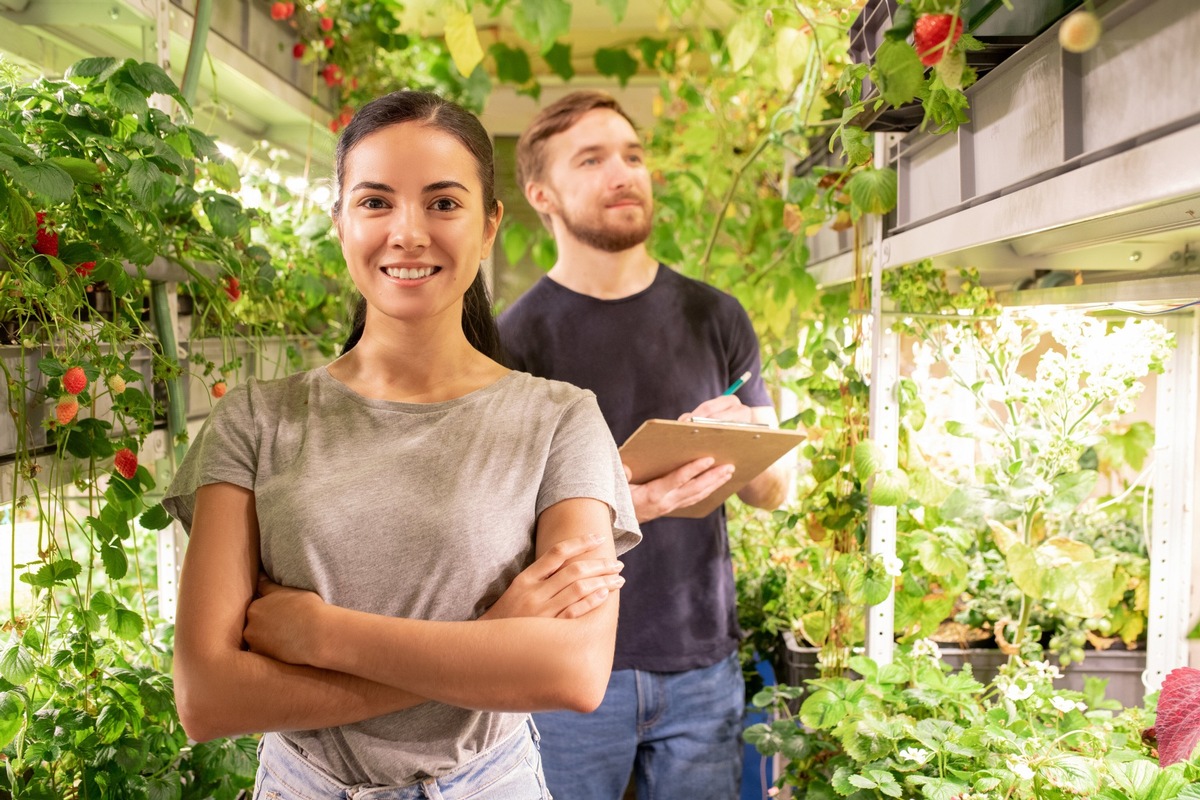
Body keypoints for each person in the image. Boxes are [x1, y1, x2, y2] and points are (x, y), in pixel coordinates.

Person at [163, 90, 641, 800]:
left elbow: (569, 674)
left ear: (489, 226)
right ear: (339, 223)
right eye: (376, 202)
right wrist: (494, 637)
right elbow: (207, 698)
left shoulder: (560, 420)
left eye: (443, 204)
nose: (408, 232)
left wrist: (322, 635)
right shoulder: (255, 422)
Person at [498, 90, 791, 800]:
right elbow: (494, 524)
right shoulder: (514, 342)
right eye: (592, 159)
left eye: (632, 155)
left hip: (701, 671)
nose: (622, 172)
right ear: (542, 193)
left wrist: (749, 442)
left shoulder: (715, 316)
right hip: (569, 671)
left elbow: (776, 492)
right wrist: (621, 504)